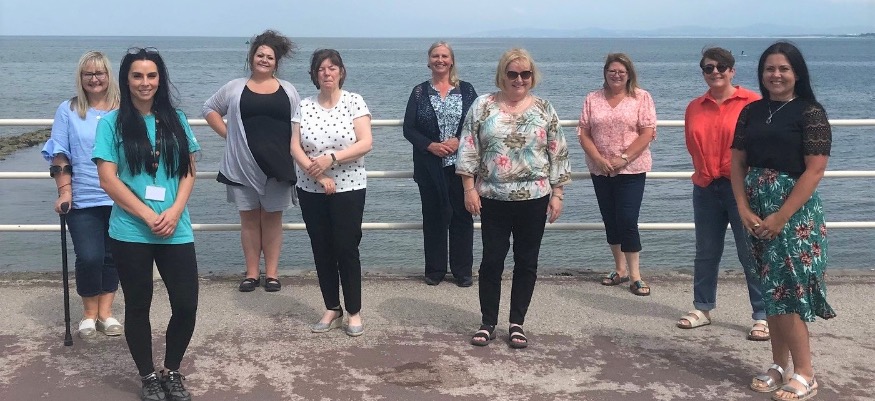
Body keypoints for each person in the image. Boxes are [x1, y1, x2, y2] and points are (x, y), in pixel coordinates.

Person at [93, 47, 200, 401]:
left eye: (151, 75)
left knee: (185, 304)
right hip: (131, 230)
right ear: (126, 80)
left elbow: (188, 171)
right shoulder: (111, 123)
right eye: (137, 75)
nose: (145, 82)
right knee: (138, 305)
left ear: (160, 79)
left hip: (175, 228)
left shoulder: (176, 119)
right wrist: (147, 214)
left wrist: (175, 210)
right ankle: (148, 376)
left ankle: (172, 370)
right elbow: (108, 179)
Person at [731, 41, 835, 401]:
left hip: (794, 213)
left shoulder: (810, 113)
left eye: (783, 69)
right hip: (756, 209)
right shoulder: (751, 111)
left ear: (797, 73)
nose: (776, 75)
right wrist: (742, 207)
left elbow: (815, 169)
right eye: (769, 69)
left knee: (789, 291)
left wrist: (782, 215)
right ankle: (778, 364)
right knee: (770, 289)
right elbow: (737, 162)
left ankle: (806, 373)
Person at [457, 48, 571, 348]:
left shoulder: (544, 109)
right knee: (491, 261)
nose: (519, 79)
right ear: (502, 75)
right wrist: (469, 188)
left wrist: (558, 194)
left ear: (532, 76)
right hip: (493, 197)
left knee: (526, 262)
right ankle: (488, 322)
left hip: (535, 197)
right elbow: (468, 147)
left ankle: (517, 323)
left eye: (525, 74)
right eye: (512, 74)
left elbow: (558, 151)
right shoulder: (483, 106)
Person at [678, 47, 769, 341]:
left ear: (732, 71)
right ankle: (702, 308)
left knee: (750, 252)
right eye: (708, 68)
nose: (715, 72)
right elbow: (692, 145)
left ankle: (763, 314)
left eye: (721, 67)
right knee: (706, 252)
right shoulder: (694, 107)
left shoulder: (753, 103)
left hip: (742, 188)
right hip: (706, 186)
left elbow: (764, 144)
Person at [203, 30, 301, 293]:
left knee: (272, 220)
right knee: (248, 220)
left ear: (276, 62)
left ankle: (272, 274)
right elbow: (209, 109)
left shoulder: (289, 90)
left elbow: (299, 125)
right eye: (260, 55)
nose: (264, 60)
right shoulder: (235, 87)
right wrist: (229, 135)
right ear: (251, 57)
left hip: (278, 165)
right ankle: (252, 273)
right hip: (241, 165)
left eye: (270, 57)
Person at [290, 49, 372, 337]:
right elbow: (295, 147)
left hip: (349, 187)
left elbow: (365, 142)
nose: (327, 73)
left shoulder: (354, 101)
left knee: (346, 248)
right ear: (315, 74)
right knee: (321, 247)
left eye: (332, 67)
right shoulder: (304, 105)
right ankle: (331, 308)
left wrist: (332, 159)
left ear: (341, 72)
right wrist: (318, 174)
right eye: (321, 68)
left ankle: (354, 311)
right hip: (310, 187)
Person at [42, 51, 123, 339]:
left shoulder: (123, 108)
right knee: (89, 256)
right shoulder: (68, 110)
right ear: (81, 77)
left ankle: (106, 313)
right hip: (83, 197)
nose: (94, 78)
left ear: (109, 76)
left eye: (100, 73)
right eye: (88, 73)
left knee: (113, 256)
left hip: (120, 197)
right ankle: (89, 313)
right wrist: (64, 191)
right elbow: (60, 153)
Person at [577, 53, 657, 296]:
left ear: (629, 74)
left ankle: (636, 276)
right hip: (600, 169)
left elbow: (647, 132)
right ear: (605, 73)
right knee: (610, 218)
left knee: (627, 219)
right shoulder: (592, 98)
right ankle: (619, 269)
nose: (616, 75)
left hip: (632, 168)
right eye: (612, 70)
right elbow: (583, 133)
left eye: (621, 71)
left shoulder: (641, 97)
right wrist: (599, 160)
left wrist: (623, 158)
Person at [403, 41, 478, 287]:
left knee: (462, 216)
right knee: (433, 217)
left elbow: (476, 123)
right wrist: (430, 145)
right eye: (435, 56)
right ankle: (435, 270)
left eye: (444, 56)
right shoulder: (419, 92)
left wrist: (459, 140)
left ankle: (462, 271)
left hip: (461, 166)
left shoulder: (466, 90)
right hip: (429, 166)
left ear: (452, 60)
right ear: (429, 61)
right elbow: (409, 128)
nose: (440, 60)